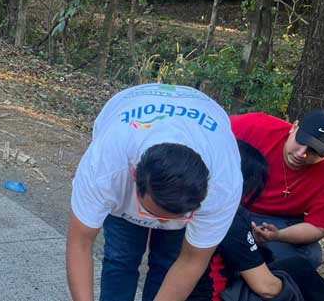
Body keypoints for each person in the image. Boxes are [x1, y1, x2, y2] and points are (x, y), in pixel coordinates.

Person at [66, 83, 243, 301]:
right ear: (134, 177)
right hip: (125, 120)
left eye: (175, 217)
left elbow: (191, 261)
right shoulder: (107, 166)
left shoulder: (224, 184)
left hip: (204, 126)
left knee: (168, 261)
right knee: (121, 257)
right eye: (153, 213)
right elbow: (80, 243)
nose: (161, 222)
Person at [189, 141, 324, 301]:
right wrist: (296, 290)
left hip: (185, 286)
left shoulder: (187, 201)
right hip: (216, 295)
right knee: (295, 273)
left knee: (295, 266)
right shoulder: (229, 220)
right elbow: (267, 288)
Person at [230, 109, 324, 268]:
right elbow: (207, 132)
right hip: (230, 202)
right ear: (294, 127)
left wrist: (277, 235)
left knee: (309, 256)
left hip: (277, 221)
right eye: (301, 141)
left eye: (314, 151)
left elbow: (318, 227)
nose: (302, 154)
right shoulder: (256, 126)